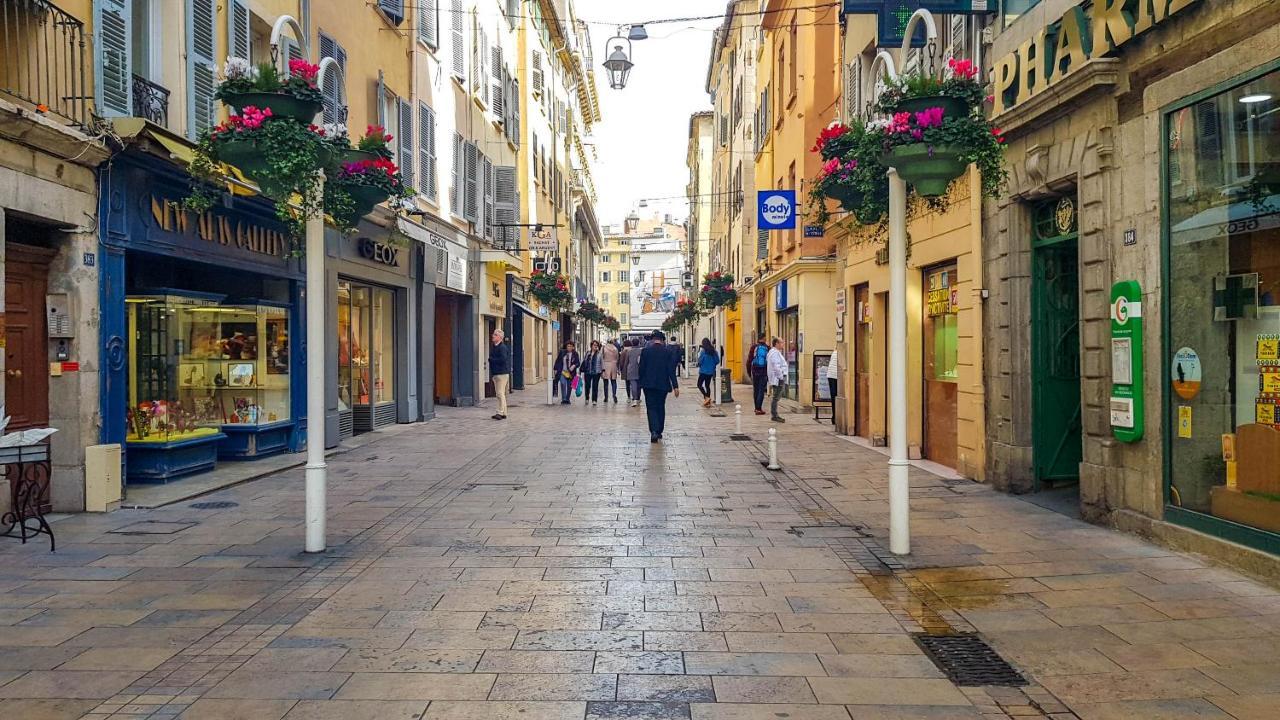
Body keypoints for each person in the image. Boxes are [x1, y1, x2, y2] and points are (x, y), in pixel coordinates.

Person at [638, 330, 680, 442]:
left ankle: (654, 431)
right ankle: (659, 430)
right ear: (662, 340)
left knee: (651, 407)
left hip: (648, 385)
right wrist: (675, 386)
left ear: (652, 340)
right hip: (663, 384)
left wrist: (640, 383)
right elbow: (671, 370)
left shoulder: (645, 352)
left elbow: (641, 369)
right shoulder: (667, 352)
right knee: (660, 406)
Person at [489, 328, 512, 420]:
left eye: (495, 335)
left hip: (501, 373)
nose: (493, 336)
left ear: (500, 337)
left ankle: (500, 412)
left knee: (499, 394)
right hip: (497, 373)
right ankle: (503, 412)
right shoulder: (494, 346)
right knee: (500, 394)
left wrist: (491, 360)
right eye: (493, 334)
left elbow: (503, 359)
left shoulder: (502, 347)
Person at [767, 337, 789, 422]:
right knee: (776, 397)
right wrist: (781, 377)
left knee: (776, 396)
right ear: (776, 344)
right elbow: (776, 366)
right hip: (778, 378)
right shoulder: (774, 353)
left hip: (777, 377)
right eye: (782, 342)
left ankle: (774, 414)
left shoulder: (774, 352)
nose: (783, 344)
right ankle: (774, 415)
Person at [748, 337, 770, 416]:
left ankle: (756, 407)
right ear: (764, 339)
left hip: (755, 371)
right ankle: (759, 408)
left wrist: (749, 372)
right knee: (761, 390)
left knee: (756, 390)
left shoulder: (754, 347)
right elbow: (770, 362)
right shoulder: (767, 348)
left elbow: (749, 360)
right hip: (764, 372)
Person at [696, 338, 720, 408]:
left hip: (703, 371)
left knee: (699, 385)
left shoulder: (703, 351)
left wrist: (700, 365)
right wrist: (712, 365)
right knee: (707, 386)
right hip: (710, 372)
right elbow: (717, 361)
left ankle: (706, 397)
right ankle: (708, 401)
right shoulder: (714, 351)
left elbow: (700, 361)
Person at [582, 340, 604, 405]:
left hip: (596, 372)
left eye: (596, 345)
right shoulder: (587, 353)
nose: (595, 346)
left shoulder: (600, 354)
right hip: (588, 372)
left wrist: (602, 372)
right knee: (587, 386)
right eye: (594, 345)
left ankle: (594, 400)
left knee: (595, 386)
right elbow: (584, 362)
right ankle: (587, 398)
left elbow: (602, 363)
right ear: (591, 346)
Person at [622, 339, 642, 407]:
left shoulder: (629, 352)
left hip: (631, 370)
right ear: (639, 343)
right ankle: (638, 398)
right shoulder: (641, 351)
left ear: (632, 344)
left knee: (633, 385)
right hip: (639, 370)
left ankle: (635, 399)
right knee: (639, 385)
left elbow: (626, 362)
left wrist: (624, 370)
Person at [601, 338, 620, 403]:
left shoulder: (604, 348)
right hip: (614, 365)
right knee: (613, 381)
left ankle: (606, 397)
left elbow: (602, 357)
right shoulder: (615, 349)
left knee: (605, 382)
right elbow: (617, 358)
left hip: (606, 365)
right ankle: (614, 395)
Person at [825, 350, 838, 426]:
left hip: (831, 375)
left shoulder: (834, 352)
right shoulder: (838, 352)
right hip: (835, 376)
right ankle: (835, 418)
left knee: (833, 397)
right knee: (835, 397)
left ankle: (834, 417)